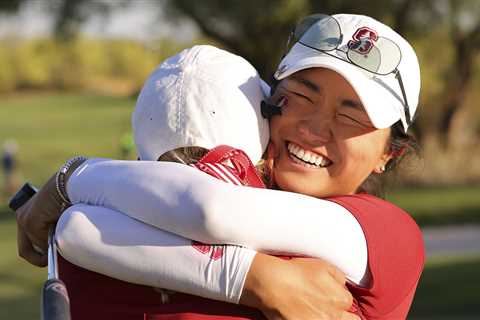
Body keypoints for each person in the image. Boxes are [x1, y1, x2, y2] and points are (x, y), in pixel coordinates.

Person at [16, 13, 425, 319]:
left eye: (351, 116)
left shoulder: (389, 236)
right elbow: (79, 231)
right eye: (301, 95)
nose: (314, 127)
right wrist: (257, 279)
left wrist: (73, 179)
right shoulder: (147, 205)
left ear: (390, 153)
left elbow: (213, 212)